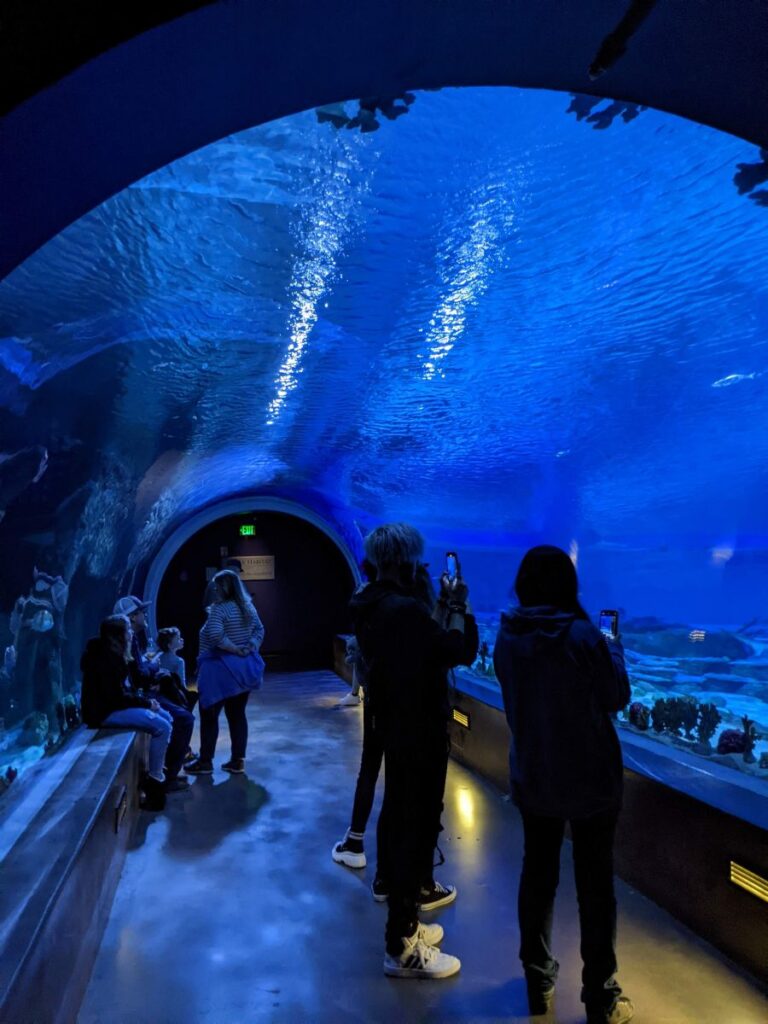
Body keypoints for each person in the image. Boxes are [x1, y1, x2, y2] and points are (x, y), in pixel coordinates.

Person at [492, 546, 633, 1024]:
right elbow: (616, 698)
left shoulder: (507, 636)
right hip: (591, 781)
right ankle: (600, 995)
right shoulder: (584, 636)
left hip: (534, 775)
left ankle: (538, 981)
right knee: (595, 886)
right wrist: (613, 646)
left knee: (538, 876)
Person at [351, 523, 478, 980]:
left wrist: (437, 604)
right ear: (405, 561)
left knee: (398, 820)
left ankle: (405, 919)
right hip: (418, 730)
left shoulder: (372, 604)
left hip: (394, 726)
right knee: (412, 830)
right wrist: (458, 603)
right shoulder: (403, 611)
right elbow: (456, 649)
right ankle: (402, 945)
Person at [81, 614, 172, 811]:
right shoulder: (105, 660)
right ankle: (155, 781)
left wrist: (146, 702)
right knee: (162, 727)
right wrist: (147, 704)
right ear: (118, 635)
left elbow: (124, 692)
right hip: (104, 713)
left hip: (115, 706)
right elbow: (115, 698)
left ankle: (159, 771)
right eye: (127, 630)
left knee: (167, 717)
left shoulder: (116, 654)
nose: (131, 633)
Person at [186, 570, 265, 775]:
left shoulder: (220, 609)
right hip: (243, 669)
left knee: (209, 714)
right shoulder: (248, 607)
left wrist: (233, 648)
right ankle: (238, 760)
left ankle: (205, 762)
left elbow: (214, 635)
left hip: (218, 671)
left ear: (226, 587)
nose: (215, 589)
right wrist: (249, 647)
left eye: (218, 586)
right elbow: (260, 630)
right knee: (237, 715)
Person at [113, 595, 194, 792]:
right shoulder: (127, 640)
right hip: (139, 696)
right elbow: (139, 677)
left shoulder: (128, 639)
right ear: (132, 617)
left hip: (140, 694)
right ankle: (166, 776)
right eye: (141, 612)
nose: (144, 615)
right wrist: (154, 665)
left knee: (177, 715)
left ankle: (165, 770)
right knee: (184, 719)